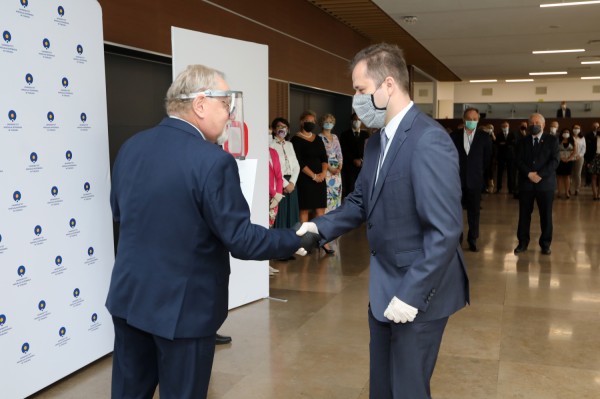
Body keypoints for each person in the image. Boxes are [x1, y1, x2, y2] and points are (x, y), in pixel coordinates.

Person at [106, 64, 320, 399]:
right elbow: (241, 239)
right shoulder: (212, 161)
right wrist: (294, 238)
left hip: (130, 299)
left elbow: (119, 213)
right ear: (201, 104)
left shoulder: (132, 146)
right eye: (225, 105)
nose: (230, 114)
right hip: (184, 311)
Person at [296, 43, 469, 399]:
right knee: (383, 388)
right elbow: (360, 201)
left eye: (360, 90)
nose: (356, 99)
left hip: (419, 291)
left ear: (387, 85)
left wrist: (411, 294)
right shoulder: (376, 143)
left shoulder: (428, 141)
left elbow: (445, 229)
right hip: (384, 288)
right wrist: (319, 228)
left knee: (407, 389)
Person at [514, 113, 560, 256]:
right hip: (526, 184)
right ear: (528, 125)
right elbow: (518, 160)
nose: (535, 125)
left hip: (545, 184)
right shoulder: (522, 141)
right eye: (532, 122)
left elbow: (554, 161)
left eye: (538, 122)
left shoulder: (552, 140)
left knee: (546, 215)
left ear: (544, 125)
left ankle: (545, 244)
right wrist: (529, 174)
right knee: (524, 215)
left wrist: (540, 175)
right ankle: (522, 243)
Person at [450, 108, 491, 252]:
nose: (472, 121)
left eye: (475, 119)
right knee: (456, 212)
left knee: (474, 212)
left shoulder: (484, 137)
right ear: (463, 119)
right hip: (456, 180)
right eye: (469, 118)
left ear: (478, 120)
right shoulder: (454, 136)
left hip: (475, 180)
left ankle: (473, 238)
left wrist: (484, 177)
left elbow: (488, 160)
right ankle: (457, 239)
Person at [291, 110, 329, 237]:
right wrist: (313, 176)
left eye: (313, 122)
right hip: (305, 179)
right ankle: (305, 240)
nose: (311, 124)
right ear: (302, 122)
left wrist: (323, 173)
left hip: (320, 178)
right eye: (308, 121)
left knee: (320, 210)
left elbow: (324, 157)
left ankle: (321, 239)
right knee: (305, 209)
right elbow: (299, 162)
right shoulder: (295, 139)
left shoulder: (318, 138)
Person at [269, 117, 301, 260]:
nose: (282, 129)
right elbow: (273, 168)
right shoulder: (270, 144)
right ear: (274, 129)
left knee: (291, 216)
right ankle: (278, 250)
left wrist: (292, 182)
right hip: (278, 183)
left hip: (291, 184)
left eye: (285, 126)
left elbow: (296, 166)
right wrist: (284, 184)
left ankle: (288, 249)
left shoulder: (290, 144)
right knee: (280, 216)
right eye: (279, 127)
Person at [340, 113, 369, 198]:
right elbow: (343, 150)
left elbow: (368, 149)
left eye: (359, 120)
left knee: (362, 188)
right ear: (351, 121)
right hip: (349, 167)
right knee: (350, 188)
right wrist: (353, 159)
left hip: (362, 166)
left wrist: (361, 160)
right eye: (355, 120)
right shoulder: (344, 134)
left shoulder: (365, 134)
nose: (357, 122)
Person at [496, 120, 517, 194]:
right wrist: (508, 144)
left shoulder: (512, 134)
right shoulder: (498, 135)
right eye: (503, 126)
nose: (505, 127)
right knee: (499, 173)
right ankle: (498, 188)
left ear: (508, 127)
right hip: (501, 156)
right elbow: (498, 144)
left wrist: (504, 144)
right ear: (501, 127)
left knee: (510, 173)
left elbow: (513, 144)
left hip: (510, 156)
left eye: (506, 126)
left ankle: (511, 189)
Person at [556, 128, 576, 199]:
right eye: (564, 132)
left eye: (567, 132)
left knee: (567, 176)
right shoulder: (558, 141)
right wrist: (561, 158)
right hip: (559, 161)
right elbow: (556, 151)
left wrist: (569, 158)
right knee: (559, 177)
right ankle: (559, 192)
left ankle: (567, 192)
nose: (566, 133)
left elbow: (575, 151)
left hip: (569, 161)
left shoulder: (572, 141)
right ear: (562, 133)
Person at [585, 121, 600, 200]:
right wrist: (588, 161)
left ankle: (599, 194)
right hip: (593, 158)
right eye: (598, 129)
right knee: (593, 177)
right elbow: (589, 151)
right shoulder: (593, 139)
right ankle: (594, 194)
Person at [570, 124, 586, 196]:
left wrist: (579, 155)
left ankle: (577, 189)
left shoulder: (582, 138)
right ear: (572, 129)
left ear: (580, 130)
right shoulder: (570, 137)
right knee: (570, 174)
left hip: (579, 158)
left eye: (578, 128)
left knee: (577, 174)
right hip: (570, 158)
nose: (576, 129)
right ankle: (569, 189)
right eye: (575, 128)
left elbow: (584, 148)